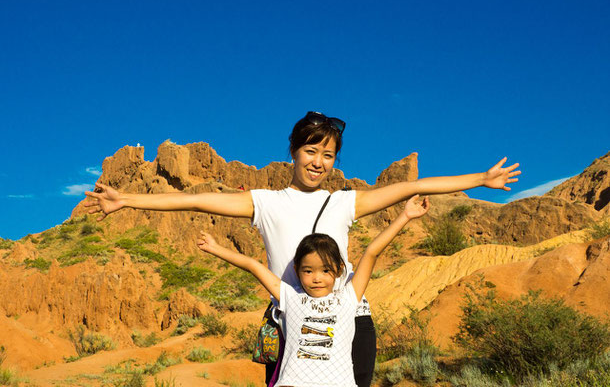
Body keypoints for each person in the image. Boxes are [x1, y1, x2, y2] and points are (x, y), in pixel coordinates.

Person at [84, 111, 520, 386]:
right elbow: (193, 198)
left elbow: (415, 185)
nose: (318, 162)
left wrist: (480, 179)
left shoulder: (345, 202)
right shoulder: (266, 203)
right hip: (289, 325)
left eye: (328, 155)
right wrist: (128, 199)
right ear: (293, 152)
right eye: (311, 150)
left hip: (351, 326)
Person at [197, 195, 430, 387]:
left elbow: (371, 252)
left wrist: (405, 215)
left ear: (338, 270)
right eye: (308, 271)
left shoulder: (349, 297)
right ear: (297, 270)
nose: (316, 278)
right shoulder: (289, 296)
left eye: (325, 270)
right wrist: (216, 249)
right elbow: (253, 266)